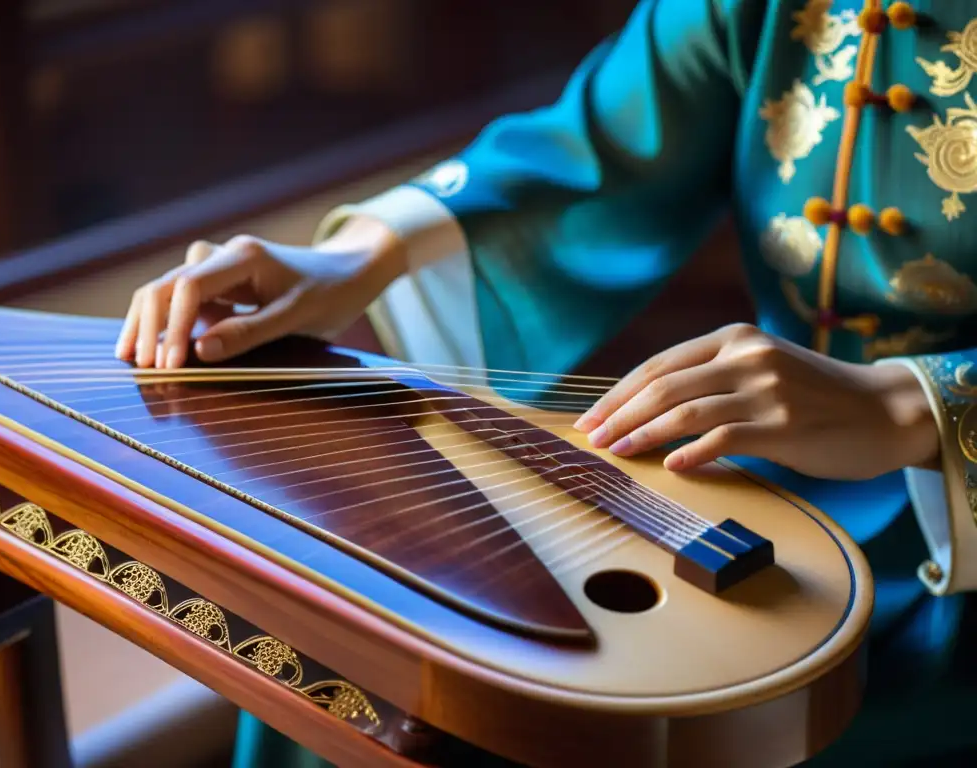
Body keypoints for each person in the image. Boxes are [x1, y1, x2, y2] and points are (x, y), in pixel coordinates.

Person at [115, 0, 977, 764]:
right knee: (361, 649)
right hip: (750, 476)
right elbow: (597, 148)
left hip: (955, 558)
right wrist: (356, 259)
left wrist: (907, 404)